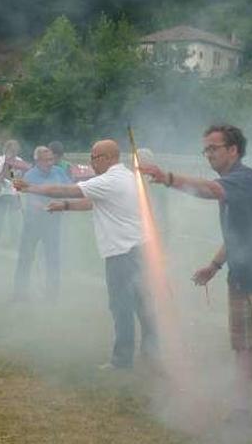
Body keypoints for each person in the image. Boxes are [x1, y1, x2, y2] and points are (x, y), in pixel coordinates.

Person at [140, 124, 252, 444]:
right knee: (242, 347)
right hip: (241, 277)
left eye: (214, 148)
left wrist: (169, 178)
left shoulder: (244, 178)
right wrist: (215, 266)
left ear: (233, 150)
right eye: (206, 149)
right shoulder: (235, 183)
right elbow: (239, 234)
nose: (208, 154)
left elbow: (211, 190)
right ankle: (241, 410)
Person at [15, 140, 158, 370]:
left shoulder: (110, 180)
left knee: (121, 305)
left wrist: (29, 187)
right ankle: (152, 351)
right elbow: (93, 203)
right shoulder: (126, 178)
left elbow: (66, 189)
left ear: (110, 157)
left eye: (95, 157)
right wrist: (66, 207)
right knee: (142, 302)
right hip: (137, 249)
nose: (91, 162)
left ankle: (122, 360)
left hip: (122, 252)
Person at [13, 146, 70, 301]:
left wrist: (64, 202)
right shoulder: (30, 175)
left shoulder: (59, 172)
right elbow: (30, 197)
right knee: (26, 257)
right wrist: (41, 204)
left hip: (52, 222)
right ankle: (19, 293)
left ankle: (52, 295)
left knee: (53, 259)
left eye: (51, 159)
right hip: (33, 223)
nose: (50, 163)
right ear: (37, 161)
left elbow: (69, 189)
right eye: (46, 160)